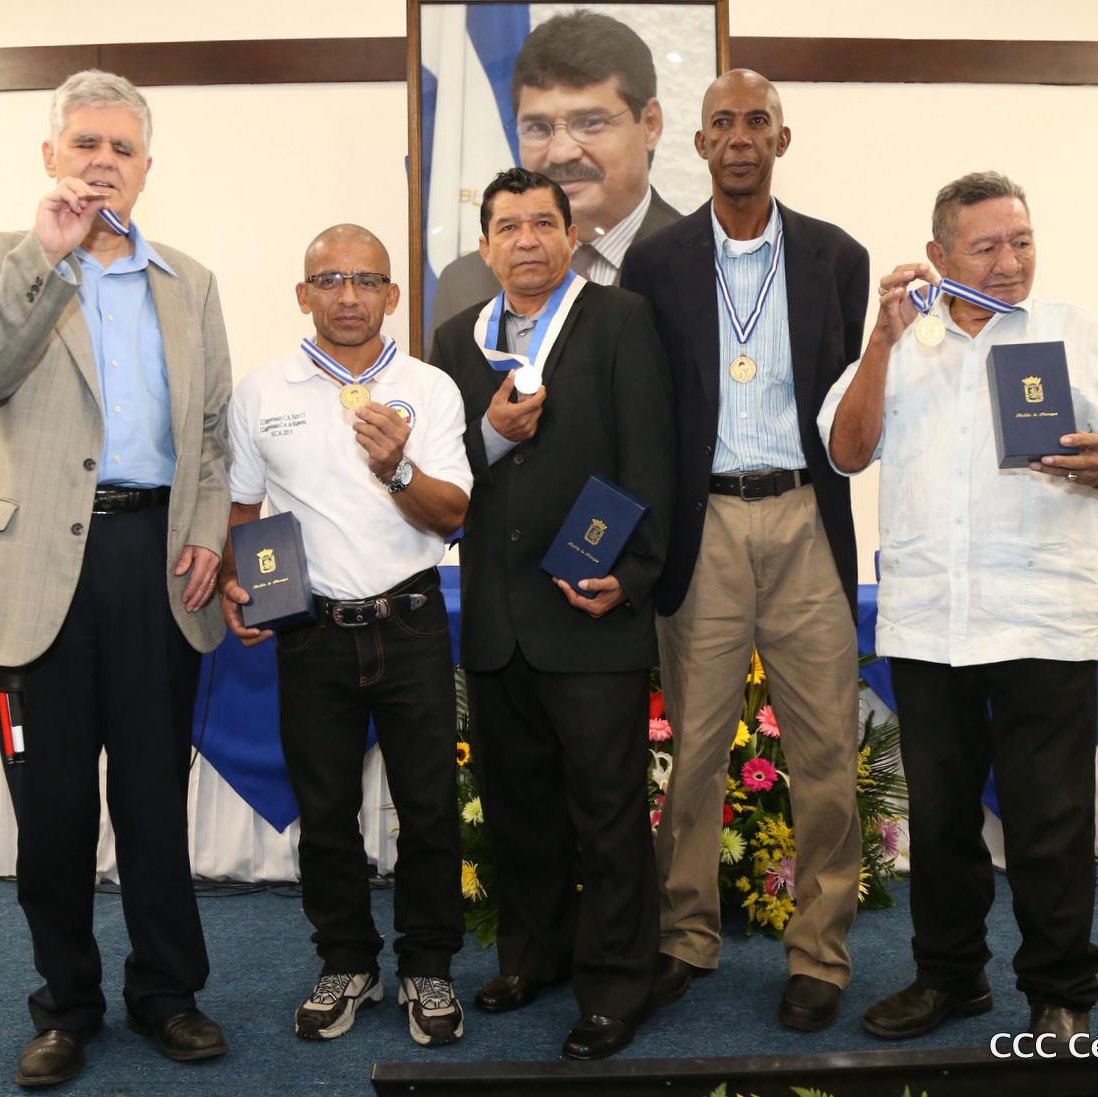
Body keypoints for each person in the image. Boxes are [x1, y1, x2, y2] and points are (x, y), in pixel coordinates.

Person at [0, 70, 231, 1087]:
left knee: (152, 802)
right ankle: (65, 1004)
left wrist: (206, 528)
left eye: (121, 148)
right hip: (33, 570)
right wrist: (44, 257)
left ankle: (167, 993)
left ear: (146, 168)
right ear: (51, 155)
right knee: (50, 811)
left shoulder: (190, 281)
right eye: (85, 143)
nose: (102, 162)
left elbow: (212, 430)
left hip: (155, 566)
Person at [819, 171, 1098, 1041]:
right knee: (939, 819)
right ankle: (949, 977)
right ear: (937, 254)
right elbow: (847, 451)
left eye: (1022, 241)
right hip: (931, 620)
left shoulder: (1074, 333)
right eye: (986, 247)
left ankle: (1061, 990)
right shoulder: (903, 346)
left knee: (1050, 819)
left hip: (1041, 614)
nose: (1010, 262)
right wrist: (881, 342)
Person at [619, 69, 868, 1032]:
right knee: (694, 752)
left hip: (806, 517)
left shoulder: (838, 258)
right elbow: (645, 410)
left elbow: (851, 402)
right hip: (706, 523)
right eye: (721, 122)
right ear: (697, 143)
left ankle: (820, 952)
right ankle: (686, 935)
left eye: (756, 121)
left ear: (781, 139)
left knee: (826, 752)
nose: (738, 137)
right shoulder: (655, 261)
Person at [428, 167, 676, 1060]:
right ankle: (534, 955)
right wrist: (491, 437)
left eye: (543, 223)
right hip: (499, 616)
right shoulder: (455, 339)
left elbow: (652, 456)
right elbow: (443, 475)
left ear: (572, 237)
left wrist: (633, 576)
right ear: (485, 245)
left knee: (608, 812)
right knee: (518, 807)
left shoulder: (621, 321)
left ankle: (617, 984)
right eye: (508, 226)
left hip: (591, 608)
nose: (526, 239)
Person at [218, 225, 473, 1048]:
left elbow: (453, 514)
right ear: (304, 294)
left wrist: (397, 466)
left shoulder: (429, 388)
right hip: (312, 631)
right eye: (330, 279)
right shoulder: (262, 392)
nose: (349, 295)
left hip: (411, 621)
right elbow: (244, 508)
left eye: (367, 280)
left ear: (392, 294)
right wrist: (241, 583)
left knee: (429, 809)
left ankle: (427, 965)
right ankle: (346, 960)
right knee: (324, 812)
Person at [429, 9, 682, 330]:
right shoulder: (465, 283)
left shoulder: (700, 261)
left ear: (650, 124)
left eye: (590, 122)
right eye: (538, 127)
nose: (561, 153)